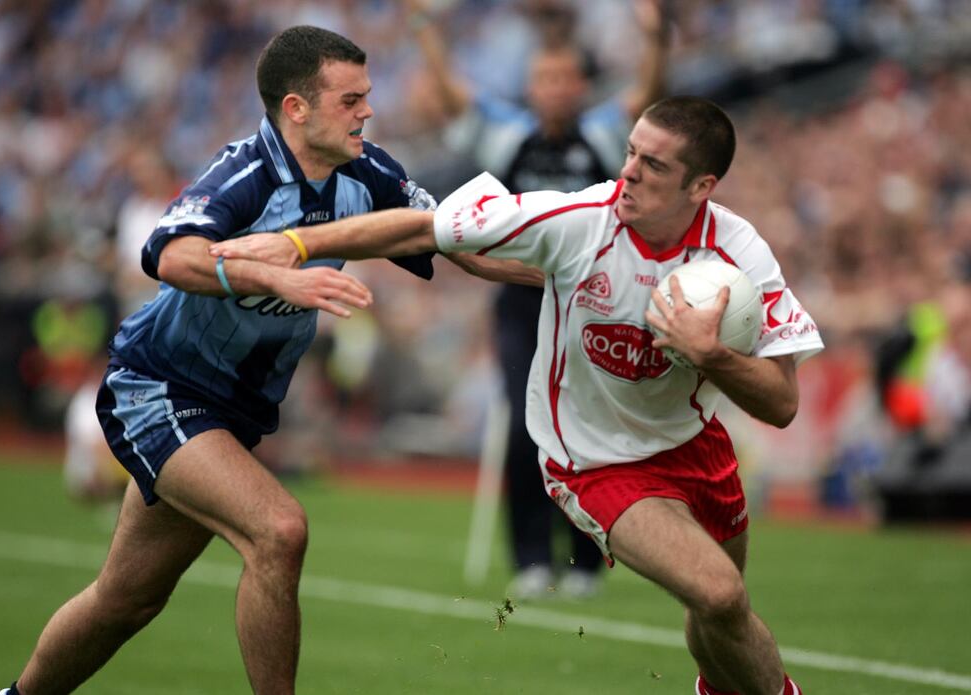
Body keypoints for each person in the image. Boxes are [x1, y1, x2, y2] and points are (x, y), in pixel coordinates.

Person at [212, 96, 823, 695]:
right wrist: (296, 246)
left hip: (694, 444)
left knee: (719, 612)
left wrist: (713, 354)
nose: (628, 170)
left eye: (654, 165)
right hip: (591, 460)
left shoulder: (740, 256)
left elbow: (782, 403)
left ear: (701, 187)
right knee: (719, 592)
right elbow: (424, 229)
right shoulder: (581, 219)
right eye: (631, 152)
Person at [0, 25, 533, 695]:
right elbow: (171, 255)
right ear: (296, 109)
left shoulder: (371, 173)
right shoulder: (243, 174)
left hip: (232, 413)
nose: (368, 110)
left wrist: (576, 272)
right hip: (159, 386)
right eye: (351, 99)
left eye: (366, 96)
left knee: (125, 599)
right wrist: (276, 274)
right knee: (279, 530)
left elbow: (457, 241)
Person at [403, 0, 670, 599]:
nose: (553, 89)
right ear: (531, 86)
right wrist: (424, 28)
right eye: (543, 79)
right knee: (525, 429)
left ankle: (581, 560)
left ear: (580, 85)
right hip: (522, 304)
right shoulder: (507, 136)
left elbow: (647, 99)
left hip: (592, 301)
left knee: (587, 428)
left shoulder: (605, 134)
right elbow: (453, 98)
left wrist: (655, 38)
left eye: (563, 78)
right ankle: (530, 559)